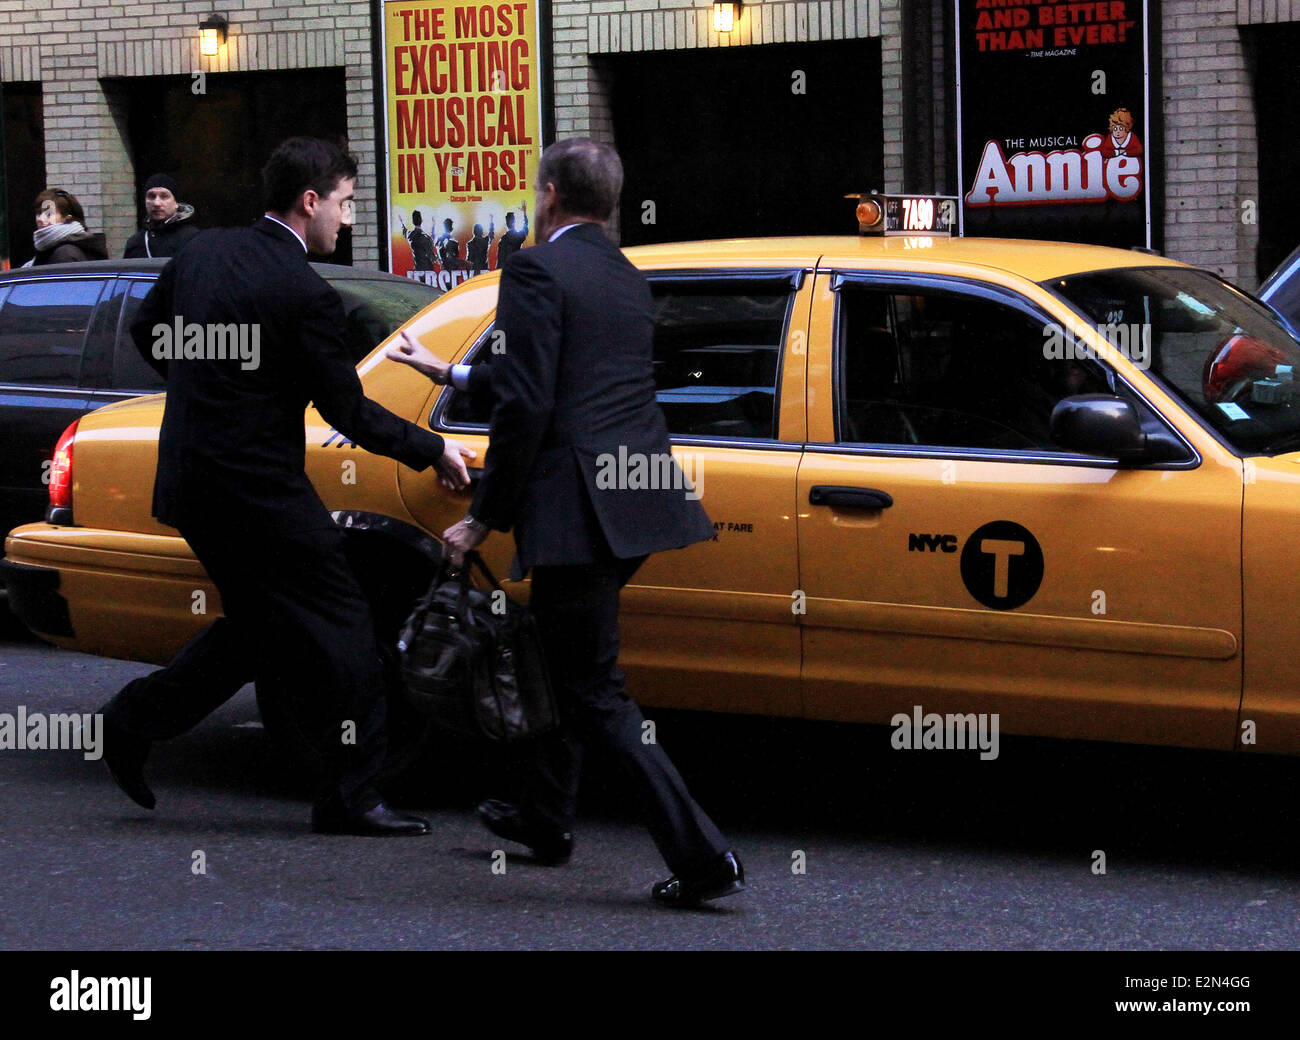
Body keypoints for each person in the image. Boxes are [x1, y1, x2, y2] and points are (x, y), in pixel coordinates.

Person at [393, 138, 746, 907]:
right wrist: (447, 370)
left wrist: (482, 518)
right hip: (638, 500)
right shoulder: (623, 273)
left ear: (549, 193)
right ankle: (543, 817)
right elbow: (556, 373)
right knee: (558, 660)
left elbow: (527, 404)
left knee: (591, 687)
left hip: (580, 510)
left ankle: (703, 857)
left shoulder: (534, 266)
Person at [97, 137, 475, 836]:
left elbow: (150, 331)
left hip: (191, 483)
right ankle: (353, 797)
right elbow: (347, 411)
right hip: (259, 494)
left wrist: (207, 387)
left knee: (259, 628)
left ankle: (129, 721)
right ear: (310, 202)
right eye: (344, 203)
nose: (348, 219)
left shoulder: (201, 252)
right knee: (349, 627)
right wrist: (433, 450)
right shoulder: (305, 292)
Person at [123, 174, 200, 258]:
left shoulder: (192, 238)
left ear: (176, 203)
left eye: (164, 196)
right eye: (151, 197)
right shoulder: (136, 242)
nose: (157, 203)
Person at [25, 189, 107, 265]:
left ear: (67, 218)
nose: (41, 219)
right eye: (39, 213)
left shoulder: (65, 254)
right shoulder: (53, 249)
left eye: (49, 214)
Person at [495, 202, 527, 269]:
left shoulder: (503, 239)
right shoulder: (517, 236)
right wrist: (524, 213)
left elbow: (500, 259)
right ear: (514, 222)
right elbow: (525, 229)